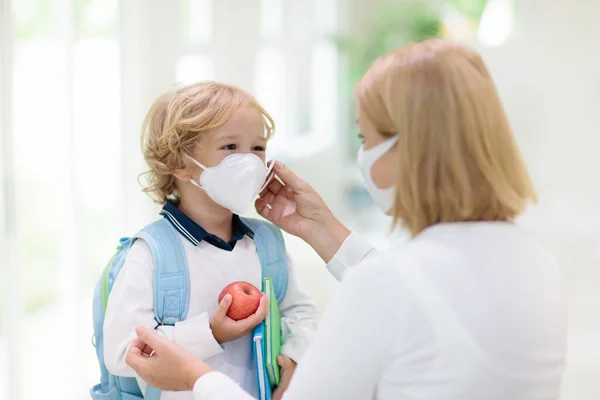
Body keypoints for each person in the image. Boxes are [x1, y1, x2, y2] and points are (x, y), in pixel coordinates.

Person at [125, 40, 568, 400]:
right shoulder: (537, 263)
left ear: (408, 148)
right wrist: (321, 228)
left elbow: (397, 292)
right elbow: (427, 299)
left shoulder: (386, 286)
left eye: (365, 136)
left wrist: (194, 377)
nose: (361, 153)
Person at [103, 82, 318, 400]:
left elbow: (300, 311)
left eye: (258, 148)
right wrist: (210, 333)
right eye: (230, 147)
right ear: (181, 163)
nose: (249, 161)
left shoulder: (267, 242)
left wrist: (297, 359)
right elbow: (123, 353)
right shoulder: (150, 254)